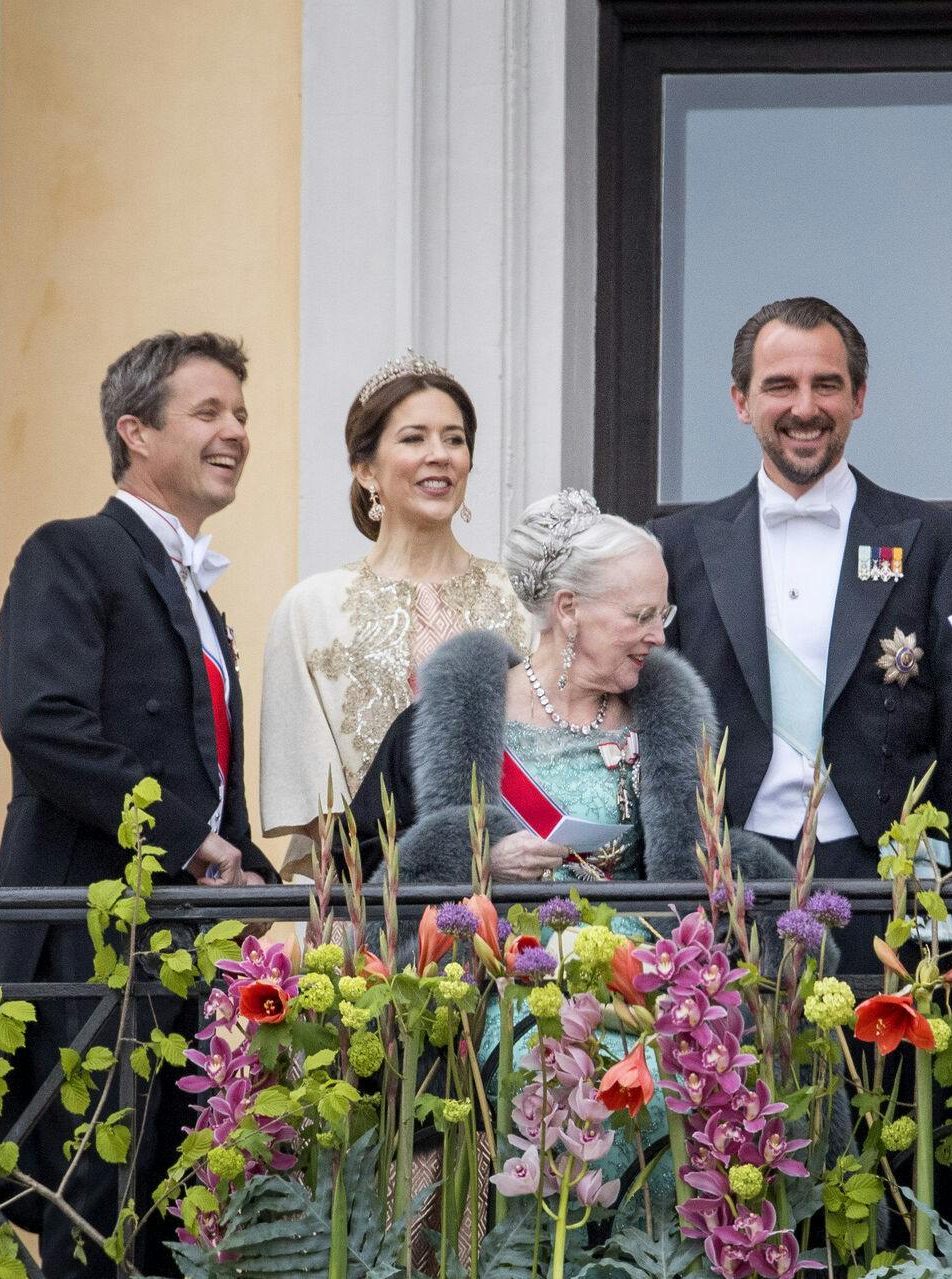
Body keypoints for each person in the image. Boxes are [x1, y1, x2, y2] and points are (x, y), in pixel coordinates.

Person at [337, 491, 802, 1242]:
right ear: (568, 609)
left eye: (663, 616)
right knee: (550, 1071)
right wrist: (479, 861)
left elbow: (707, 855)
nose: (657, 635)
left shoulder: (667, 727)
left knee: (675, 1080)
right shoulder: (452, 720)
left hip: (640, 975)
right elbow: (363, 865)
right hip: (497, 981)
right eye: (639, 615)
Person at [0, 331, 281, 1275]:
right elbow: (44, 723)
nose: (235, 430)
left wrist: (278, 889)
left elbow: (212, 780)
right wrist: (195, 842)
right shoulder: (70, 552)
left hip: (187, 943)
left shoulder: (197, 587)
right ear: (134, 432)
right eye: (209, 412)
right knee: (98, 1215)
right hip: (92, 949)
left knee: (183, 1217)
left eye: (240, 413)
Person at [649, 297, 952, 964]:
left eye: (827, 384)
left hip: (883, 889)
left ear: (860, 397)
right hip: (725, 882)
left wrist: (920, 873)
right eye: (780, 385)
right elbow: (656, 725)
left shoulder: (936, 542)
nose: (805, 407)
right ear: (740, 400)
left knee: (876, 1071)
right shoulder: (675, 548)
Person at [260, 353, 526, 876]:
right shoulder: (311, 608)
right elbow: (314, 809)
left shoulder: (520, 597)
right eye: (413, 439)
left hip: (513, 908)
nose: (440, 455)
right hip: (364, 908)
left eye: (454, 439)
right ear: (365, 469)